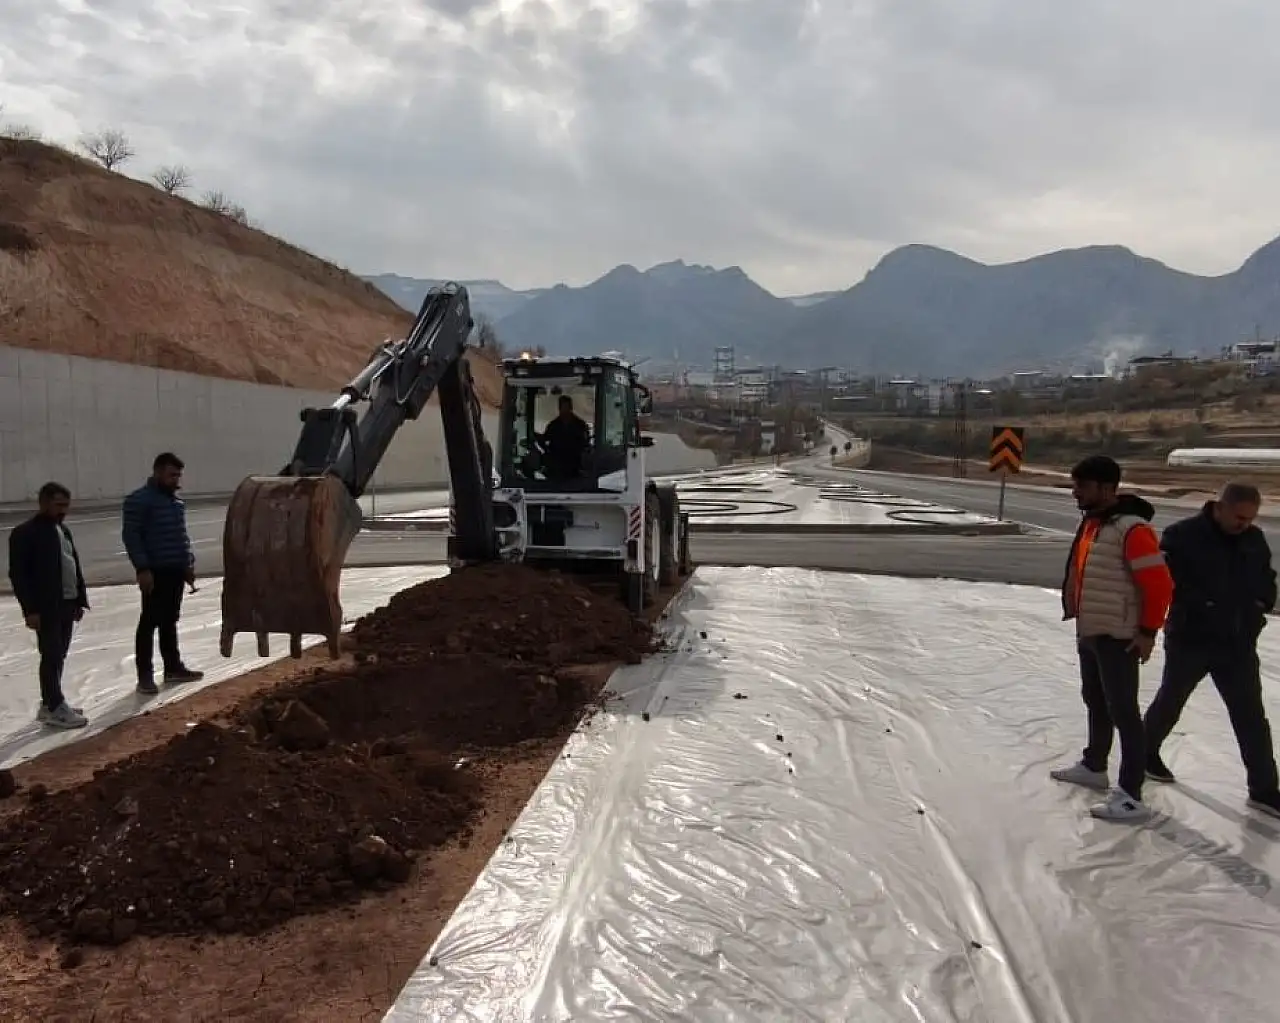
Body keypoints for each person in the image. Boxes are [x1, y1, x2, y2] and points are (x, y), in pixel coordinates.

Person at [1142, 482, 1280, 818]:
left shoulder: (1253, 539)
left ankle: (1264, 789)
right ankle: (1143, 755)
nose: (1244, 524)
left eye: (1250, 518)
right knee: (1171, 700)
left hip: (1238, 642)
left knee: (1251, 716)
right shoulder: (1182, 535)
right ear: (1219, 507)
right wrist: (1205, 606)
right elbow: (1168, 581)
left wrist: (1260, 604)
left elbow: (1266, 578)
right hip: (1191, 638)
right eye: (1239, 517)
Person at [1051, 455, 1174, 822]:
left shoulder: (1132, 530)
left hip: (1119, 635)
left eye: (1082, 486)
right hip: (1092, 628)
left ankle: (1131, 795)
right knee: (1095, 700)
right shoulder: (1093, 523)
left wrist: (1148, 632)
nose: (1075, 492)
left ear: (1106, 488)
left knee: (1124, 712)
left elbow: (1159, 586)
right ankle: (1094, 765)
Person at [7, 482, 90, 729]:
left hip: (67, 603)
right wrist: (30, 610)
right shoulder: (25, 533)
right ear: (43, 503)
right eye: (58, 505)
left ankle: (49, 703)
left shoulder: (63, 530)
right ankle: (55, 706)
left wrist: (79, 600)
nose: (63, 510)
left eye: (66, 505)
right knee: (51, 655)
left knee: (59, 654)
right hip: (46, 606)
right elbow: (19, 575)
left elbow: (73, 566)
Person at [121, 452, 204, 694]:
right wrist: (142, 568)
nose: (175, 480)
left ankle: (173, 667)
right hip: (155, 571)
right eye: (171, 475)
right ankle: (145, 676)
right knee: (149, 622)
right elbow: (131, 537)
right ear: (157, 472)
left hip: (175, 570)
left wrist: (187, 564)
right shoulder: (139, 501)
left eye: (178, 475)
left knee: (169, 620)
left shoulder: (176, 504)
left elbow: (181, 537)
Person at [538, 395, 591, 480]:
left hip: (575, 465)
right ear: (559, 408)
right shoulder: (553, 425)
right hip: (556, 466)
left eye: (566, 407)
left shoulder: (580, 425)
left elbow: (586, 444)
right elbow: (545, 440)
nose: (564, 410)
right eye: (562, 407)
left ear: (571, 408)